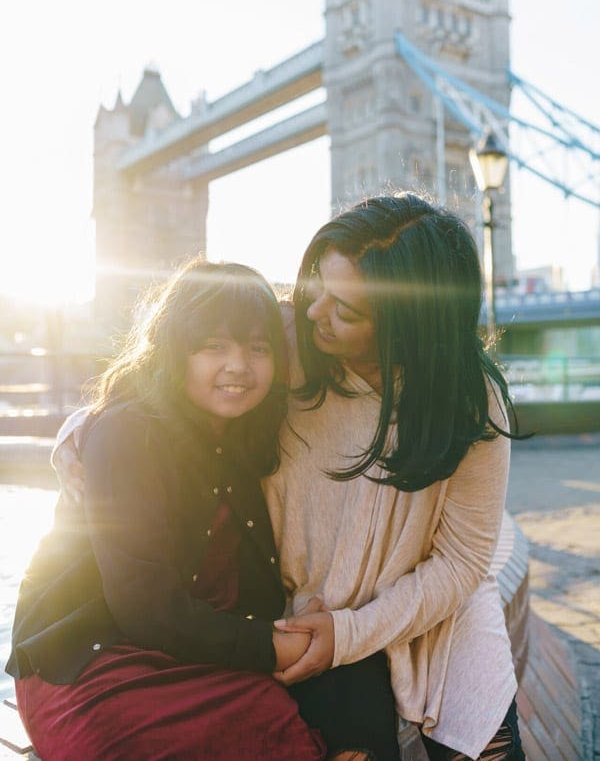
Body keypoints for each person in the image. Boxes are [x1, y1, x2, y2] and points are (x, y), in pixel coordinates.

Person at [48, 193, 525, 760]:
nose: (316, 310)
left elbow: (464, 561)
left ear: (407, 326)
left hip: (424, 614)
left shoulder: (472, 402)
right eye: (317, 282)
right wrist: (82, 429)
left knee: (489, 742)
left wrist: (354, 631)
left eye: (346, 310)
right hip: (302, 620)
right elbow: (166, 370)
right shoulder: (279, 339)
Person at [6, 260, 335, 760]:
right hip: (92, 663)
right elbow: (142, 602)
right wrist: (269, 645)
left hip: (188, 653)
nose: (238, 366)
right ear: (174, 349)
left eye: (258, 348)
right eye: (213, 346)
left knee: (273, 716)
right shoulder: (128, 431)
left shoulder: (251, 432)